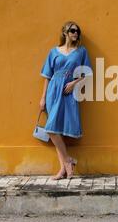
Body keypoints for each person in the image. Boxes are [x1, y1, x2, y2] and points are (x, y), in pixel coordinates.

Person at [39, 21, 92, 180]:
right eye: (73, 30)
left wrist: (74, 83)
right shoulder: (53, 52)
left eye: (78, 31)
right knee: (52, 128)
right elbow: (47, 76)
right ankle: (67, 163)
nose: (76, 33)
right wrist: (43, 98)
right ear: (65, 33)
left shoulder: (81, 51)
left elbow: (87, 72)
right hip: (53, 91)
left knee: (56, 130)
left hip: (69, 92)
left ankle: (64, 168)